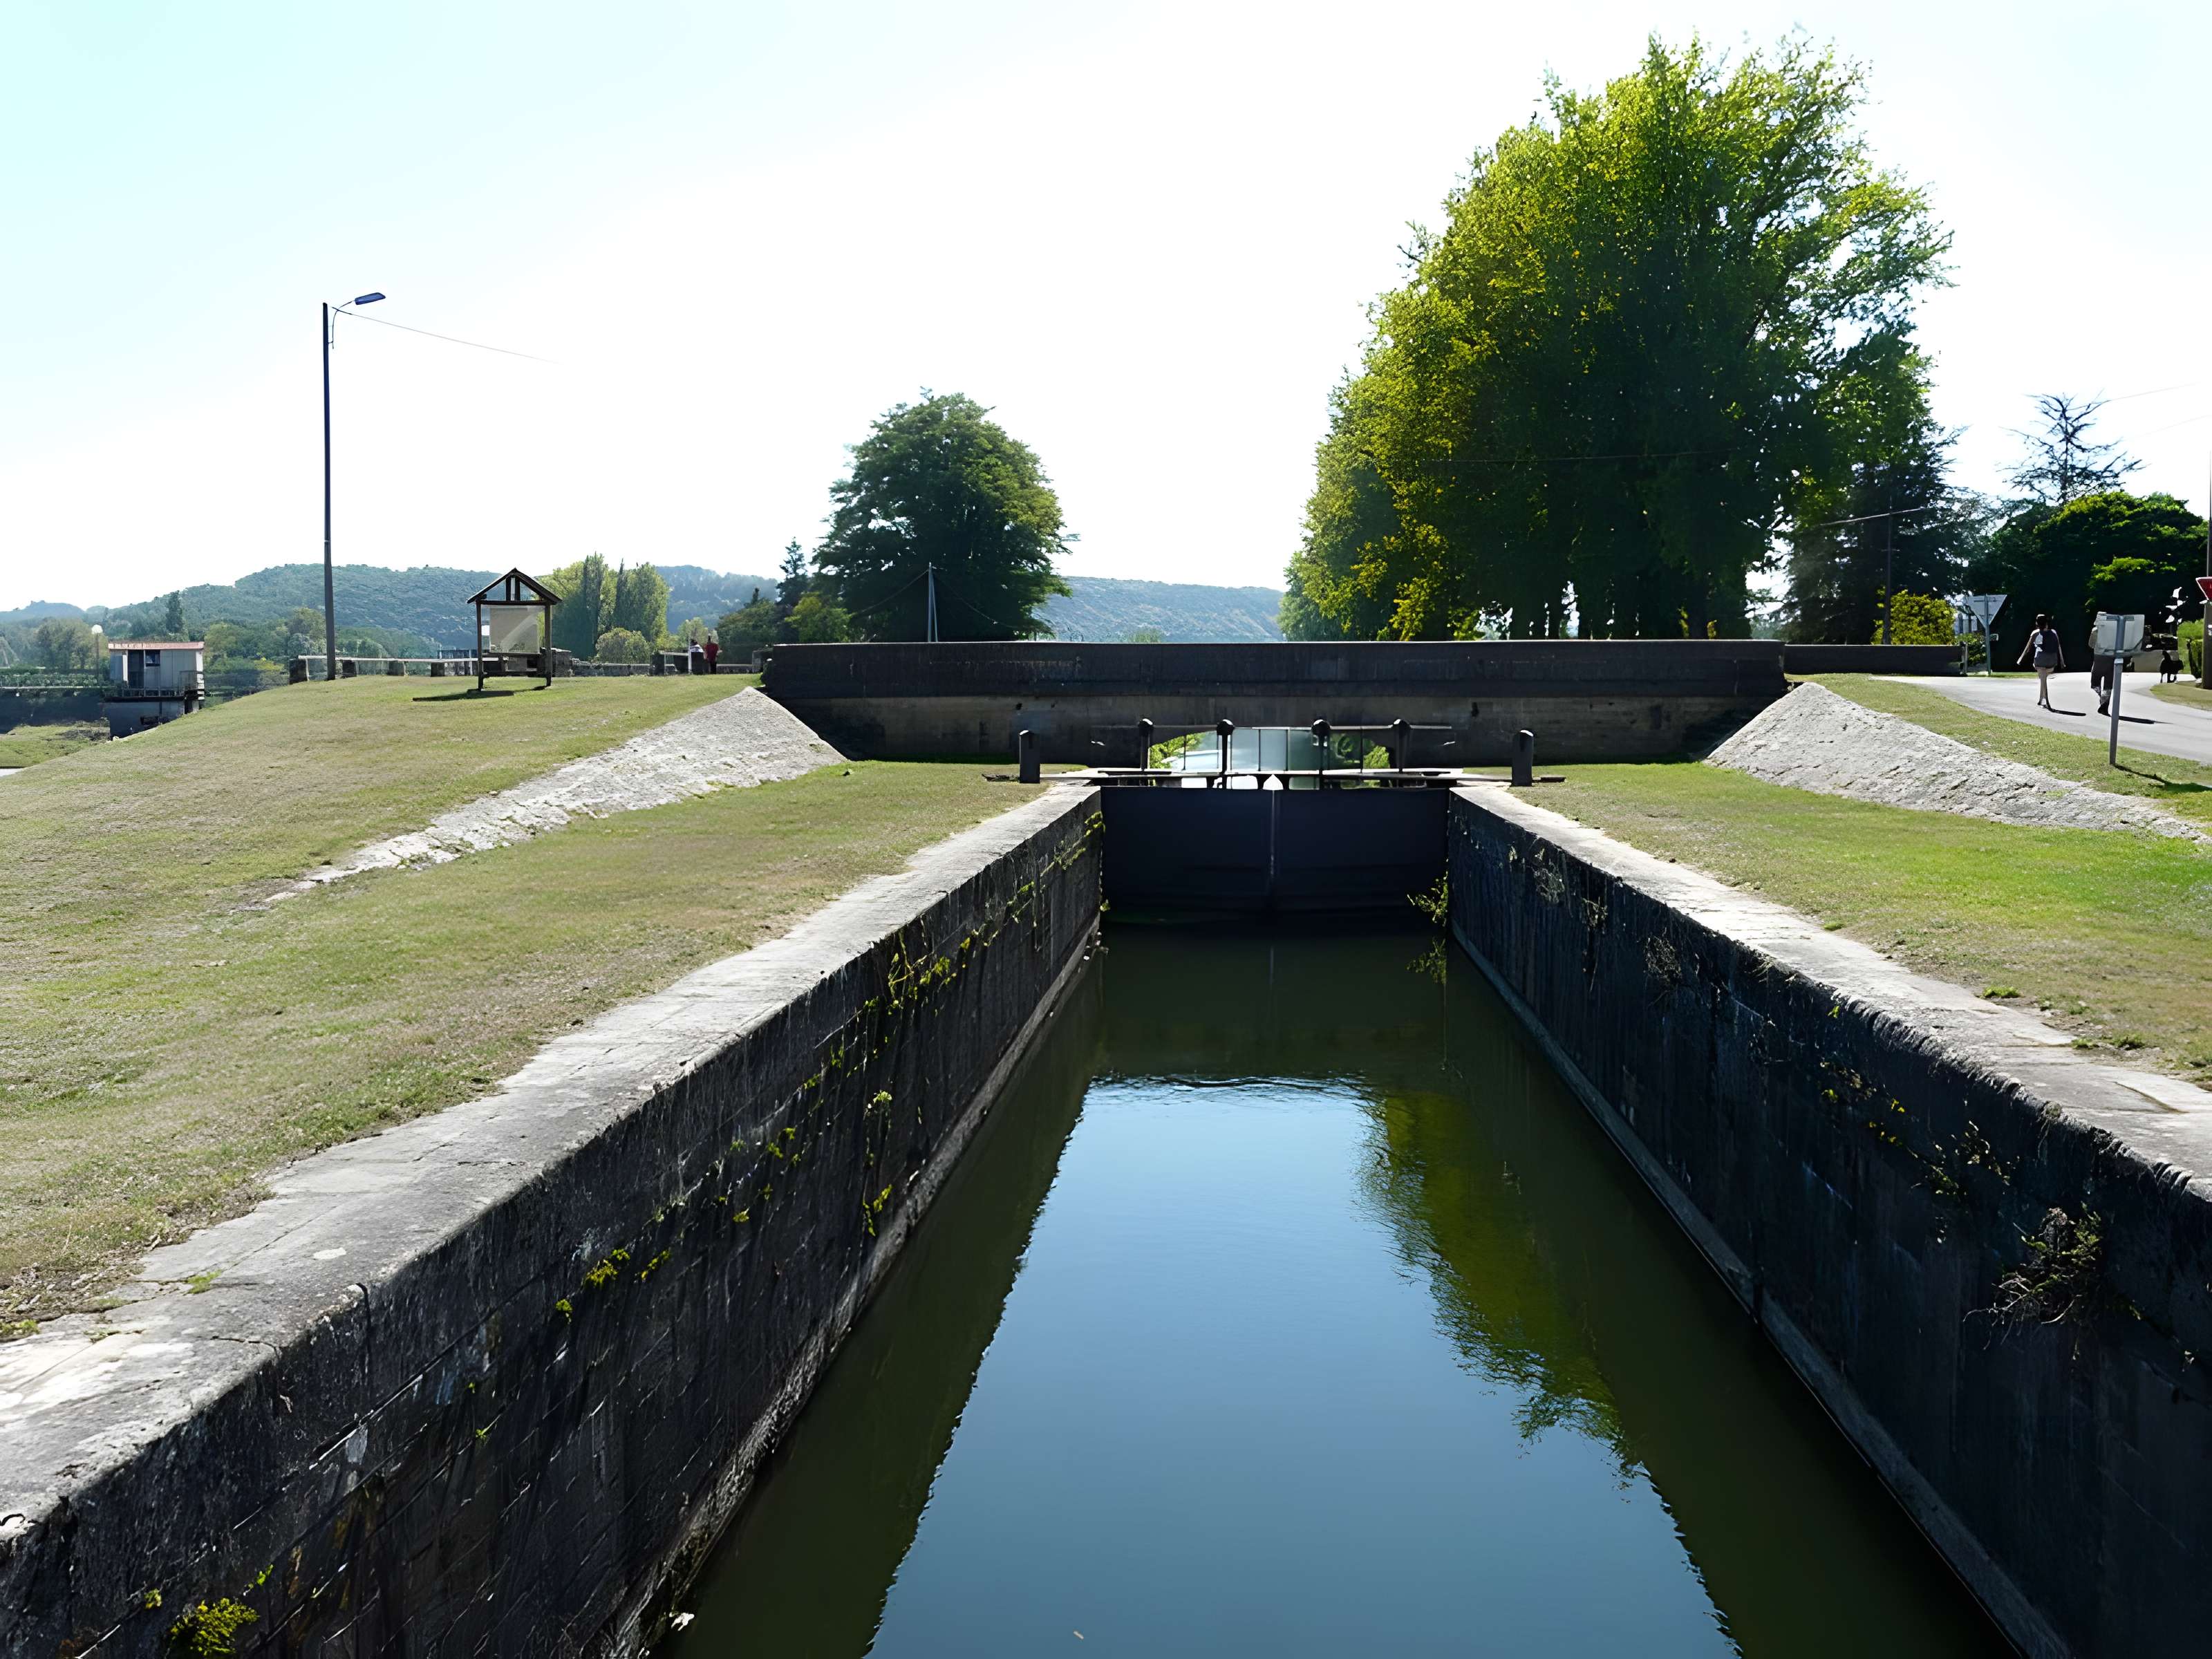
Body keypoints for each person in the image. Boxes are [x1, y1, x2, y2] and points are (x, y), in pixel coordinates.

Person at [2016, 612, 2064, 709]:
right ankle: (2041, 699)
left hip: (2040, 661)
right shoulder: (2054, 632)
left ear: (2037, 623)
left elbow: (2028, 648)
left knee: (2042, 675)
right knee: (2043, 678)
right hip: (2052, 662)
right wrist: (2062, 662)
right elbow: (2059, 647)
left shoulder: (2035, 633)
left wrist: (2020, 660)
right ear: (2047, 623)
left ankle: (2045, 700)